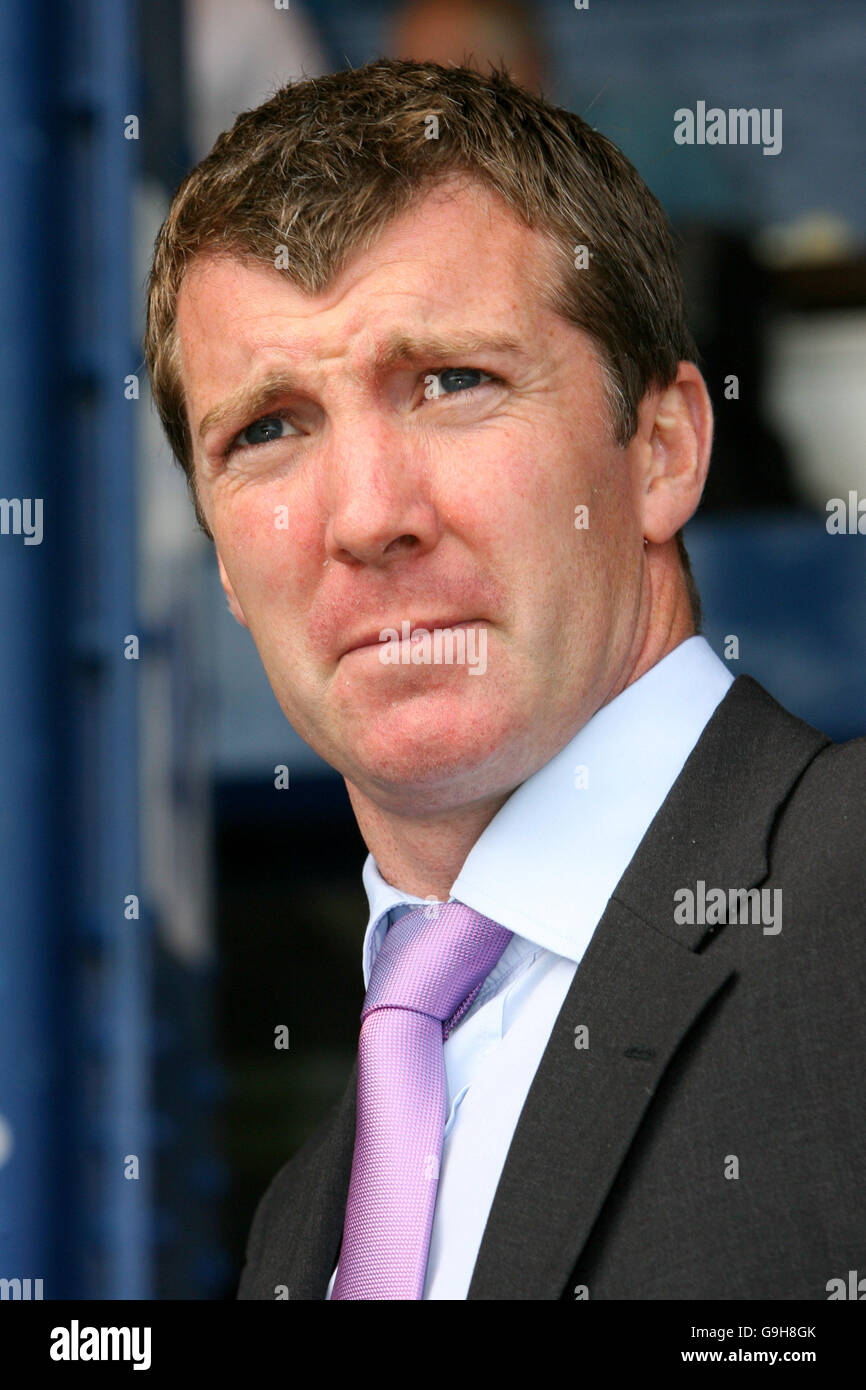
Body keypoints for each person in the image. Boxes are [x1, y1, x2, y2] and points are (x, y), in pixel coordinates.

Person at [144, 59, 865, 1300]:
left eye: (452, 383)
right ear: (217, 555)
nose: (367, 516)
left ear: (662, 449)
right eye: (266, 429)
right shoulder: (303, 1225)